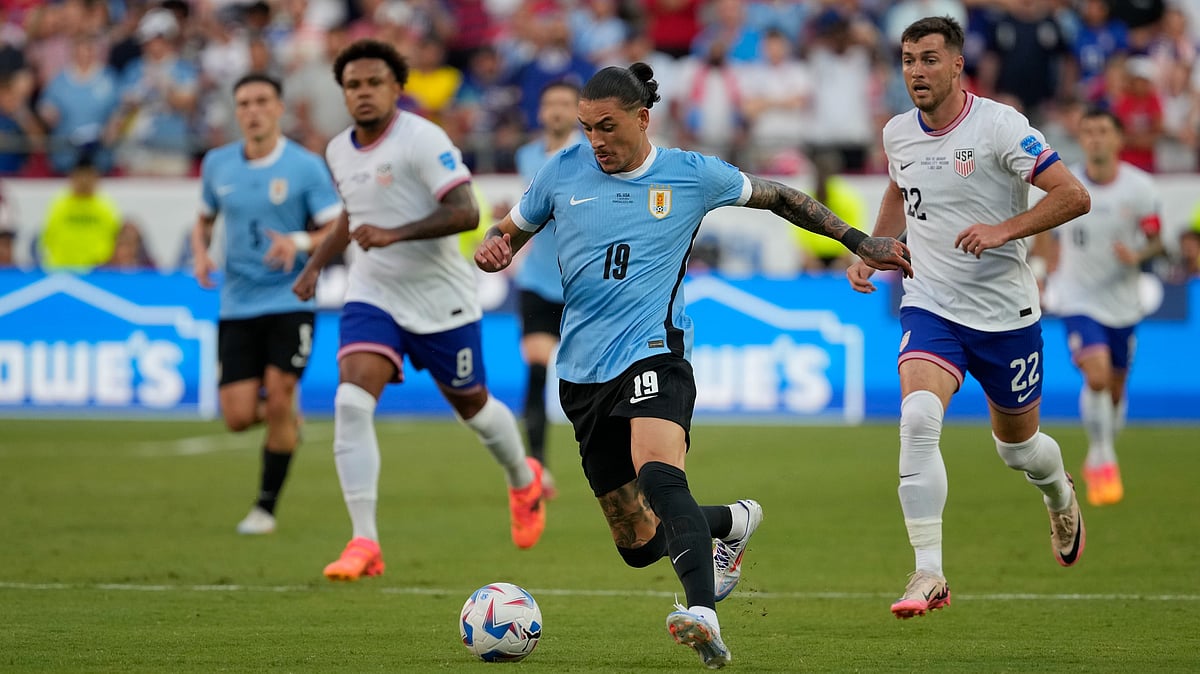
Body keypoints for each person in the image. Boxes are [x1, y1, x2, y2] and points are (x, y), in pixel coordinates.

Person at [475, 62, 911, 668]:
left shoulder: (689, 174)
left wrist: (859, 241)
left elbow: (780, 196)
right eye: (586, 127)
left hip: (654, 351)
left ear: (642, 119)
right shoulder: (560, 170)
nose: (595, 140)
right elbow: (508, 232)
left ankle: (702, 612)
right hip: (582, 373)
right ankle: (730, 524)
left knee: (659, 475)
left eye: (607, 126)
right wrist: (495, 246)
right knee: (636, 541)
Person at [846, 17, 1092, 620]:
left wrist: (1004, 229)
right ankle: (929, 570)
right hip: (931, 304)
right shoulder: (898, 132)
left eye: (929, 59)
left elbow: (1073, 194)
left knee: (1019, 449)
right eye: (907, 60)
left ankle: (1060, 495)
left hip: (1006, 315)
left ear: (958, 65)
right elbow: (899, 188)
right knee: (918, 417)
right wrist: (874, 247)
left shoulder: (1000, 126)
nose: (916, 72)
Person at [292, 39, 545, 582]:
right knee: (352, 403)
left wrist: (393, 234)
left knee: (474, 408)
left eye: (373, 83)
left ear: (396, 87)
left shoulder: (423, 139)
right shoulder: (337, 150)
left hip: (440, 300)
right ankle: (365, 541)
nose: (362, 93)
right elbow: (351, 215)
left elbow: (464, 211)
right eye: (353, 85)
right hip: (373, 293)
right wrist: (316, 265)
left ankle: (523, 478)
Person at [191, 73, 343, 536]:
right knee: (237, 417)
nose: (252, 110)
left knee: (278, 393)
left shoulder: (305, 167)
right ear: (236, 112)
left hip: (289, 298)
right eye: (244, 103)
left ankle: (265, 507)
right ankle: (284, 416)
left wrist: (297, 242)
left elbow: (337, 230)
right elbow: (204, 218)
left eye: (261, 101)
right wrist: (200, 252)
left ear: (279, 108)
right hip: (236, 303)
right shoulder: (218, 164)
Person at [1037, 108, 1162, 506]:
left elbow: (1157, 240)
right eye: (1088, 131)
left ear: (1118, 139)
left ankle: (1101, 448)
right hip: (1076, 298)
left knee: (1115, 388)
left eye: (1103, 131)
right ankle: (1104, 457)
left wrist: (1138, 254)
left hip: (1123, 302)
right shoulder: (1066, 184)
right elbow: (1045, 233)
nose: (1094, 138)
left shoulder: (1140, 189)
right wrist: (1043, 273)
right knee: (1096, 376)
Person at [512, 81, 585, 500]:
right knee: (537, 369)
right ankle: (538, 468)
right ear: (540, 112)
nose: (556, 110)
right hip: (538, 282)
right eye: (549, 102)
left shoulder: (589, 156)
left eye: (564, 103)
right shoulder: (526, 156)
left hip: (583, 286)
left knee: (594, 380)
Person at [39, 154, 122, 271]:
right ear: (72, 178)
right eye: (80, 176)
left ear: (96, 179)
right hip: (61, 271)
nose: (84, 181)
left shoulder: (105, 207)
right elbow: (47, 238)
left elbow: (114, 239)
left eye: (88, 176)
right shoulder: (59, 205)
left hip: (96, 273)